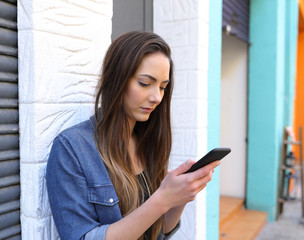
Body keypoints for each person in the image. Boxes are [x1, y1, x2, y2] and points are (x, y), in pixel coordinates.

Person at [46, 31, 220, 240]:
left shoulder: (146, 142)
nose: (157, 97)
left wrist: (179, 198)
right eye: (145, 83)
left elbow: (160, 231)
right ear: (116, 79)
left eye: (163, 87)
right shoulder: (71, 148)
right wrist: (162, 199)